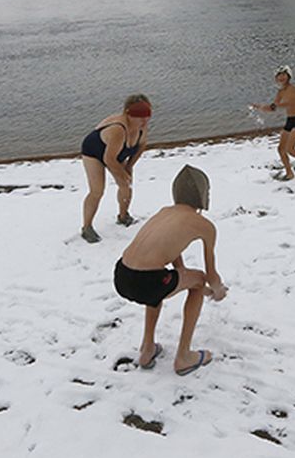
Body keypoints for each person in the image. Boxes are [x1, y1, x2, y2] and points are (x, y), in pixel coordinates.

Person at [114, 165, 229, 376]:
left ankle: (147, 349)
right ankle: (184, 356)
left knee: (159, 283)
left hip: (122, 274)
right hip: (148, 281)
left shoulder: (165, 212)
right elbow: (211, 276)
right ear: (203, 195)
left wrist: (183, 275)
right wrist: (217, 290)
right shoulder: (204, 225)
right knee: (198, 279)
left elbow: (173, 254)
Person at [80, 94, 152, 243]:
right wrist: (122, 173)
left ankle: (123, 216)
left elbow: (141, 146)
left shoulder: (142, 127)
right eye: (140, 117)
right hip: (95, 152)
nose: (144, 121)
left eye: (147, 116)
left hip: (117, 152)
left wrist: (129, 167)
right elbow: (109, 159)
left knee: (127, 185)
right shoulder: (118, 129)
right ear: (128, 114)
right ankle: (87, 227)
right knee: (97, 190)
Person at [252, 65, 295, 182]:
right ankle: (289, 173)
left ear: (288, 76)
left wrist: (275, 106)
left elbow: (290, 103)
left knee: (290, 149)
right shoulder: (280, 92)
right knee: (281, 149)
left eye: (283, 75)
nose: (281, 77)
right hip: (290, 120)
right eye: (279, 75)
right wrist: (261, 107)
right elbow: (273, 108)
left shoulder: (293, 89)